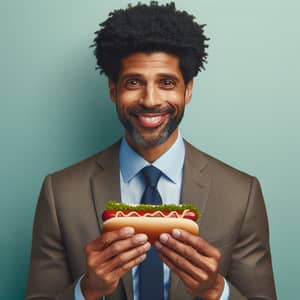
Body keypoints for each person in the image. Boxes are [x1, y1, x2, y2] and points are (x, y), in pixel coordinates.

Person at [26, 2, 277, 300]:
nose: (150, 100)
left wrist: (215, 290)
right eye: (134, 82)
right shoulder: (60, 193)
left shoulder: (241, 194)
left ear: (188, 90)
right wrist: (87, 289)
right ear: (112, 89)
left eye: (167, 83)